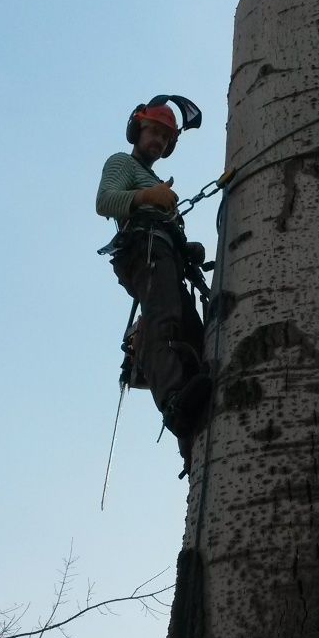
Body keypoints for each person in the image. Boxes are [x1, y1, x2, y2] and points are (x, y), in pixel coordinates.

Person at [96, 100, 211, 463]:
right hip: (143, 250)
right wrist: (148, 196)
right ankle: (174, 401)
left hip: (166, 255)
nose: (159, 141)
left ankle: (193, 434)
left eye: (166, 137)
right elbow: (105, 201)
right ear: (138, 128)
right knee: (164, 321)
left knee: (194, 333)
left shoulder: (161, 184)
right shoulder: (122, 163)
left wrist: (186, 244)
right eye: (155, 132)